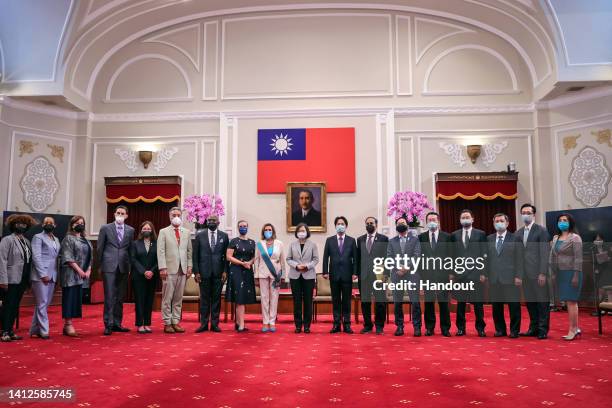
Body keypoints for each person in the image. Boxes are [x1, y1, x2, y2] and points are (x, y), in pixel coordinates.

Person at [97, 205, 134, 335]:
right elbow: (100, 248)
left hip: (123, 267)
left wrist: (130, 267)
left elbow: (130, 250)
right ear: (114, 214)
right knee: (109, 296)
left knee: (120, 297)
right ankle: (108, 324)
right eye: (118, 212)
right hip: (109, 266)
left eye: (122, 213)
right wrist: (100, 266)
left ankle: (117, 323)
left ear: (126, 216)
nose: (120, 215)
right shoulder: (105, 228)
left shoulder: (130, 230)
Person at [486, 213, 523, 338]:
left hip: (511, 278)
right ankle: (500, 330)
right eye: (497, 221)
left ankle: (514, 330)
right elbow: (486, 259)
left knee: (514, 306)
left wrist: (519, 276)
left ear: (507, 223)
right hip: (494, 278)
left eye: (501, 220)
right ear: (493, 223)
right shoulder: (489, 238)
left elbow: (519, 259)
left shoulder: (515, 238)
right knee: (496, 307)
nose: (499, 223)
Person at [516, 204, 551, 339]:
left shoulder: (541, 231)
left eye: (528, 212)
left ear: (534, 215)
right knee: (530, 303)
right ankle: (533, 327)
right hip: (524, 274)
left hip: (538, 273)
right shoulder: (518, 233)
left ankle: (543, 329)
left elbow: (544, 253)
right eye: (523, 212)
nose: (526, 214)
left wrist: (543, 273)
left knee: (542, 303)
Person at [450, 209, 487, 337]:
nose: (465, 219)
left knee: (478, 303)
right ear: (460, 220)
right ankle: (461, 328)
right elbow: (452, 255)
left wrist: (483, 273)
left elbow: (484, 254)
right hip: (460, 275)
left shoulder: (480, 234)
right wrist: (452, 273)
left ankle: (480, 328)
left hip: (476, 274)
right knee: (460, 303)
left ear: (472, 219)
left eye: (467, 217)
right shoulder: (454, 235)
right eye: (463, 217)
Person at [0, 214, 36, 342]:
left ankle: (10, 330)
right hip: (10, 279)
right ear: (13, 225)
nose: (21, 226)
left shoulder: (27, 241)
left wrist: (29, 280)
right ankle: (4, 331)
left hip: (23, 278)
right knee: (8, 305)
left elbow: (29, 260)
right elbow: (2, 260)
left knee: (15, 305)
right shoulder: (7, 240)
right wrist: (3, 280)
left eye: (24, 224)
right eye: (18, 223)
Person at [157, 207, 193, 334]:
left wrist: (189, 266)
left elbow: (189, 251)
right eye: (174, 215)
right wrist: (162, 267)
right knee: (167, 298)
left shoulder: (186, 232)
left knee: (178, 298)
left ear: (181, 216)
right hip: (169, 269)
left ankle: (175, 321)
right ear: (169, 216)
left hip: (182, 269)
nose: (176, 217)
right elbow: (160, 251)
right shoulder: (163, 232)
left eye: (178, 214)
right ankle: (167, 322)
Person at [387, 215, 422, 337]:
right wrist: (398, 269)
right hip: (397, 275)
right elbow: (389, 258)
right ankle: (399, 326)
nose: (401, 224)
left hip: (411, 274)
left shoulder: (415, 240)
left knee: (415, 302)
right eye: (398, 223)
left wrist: (406, 268)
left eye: (403, 222)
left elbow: (417, 255)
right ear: (396, 227)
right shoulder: (391, 241)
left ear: (407, 225)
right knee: (397, 303)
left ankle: (417, 327)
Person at [549, 213, 583, 341]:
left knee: (571, 301)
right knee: (568, 301)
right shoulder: (556, 237)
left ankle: (573, 329)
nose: (562, 222)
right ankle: (575, 328)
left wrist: (576, 275)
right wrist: (552, 272)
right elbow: (553, 255)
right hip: (560, 273)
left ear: (570, 223)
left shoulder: (575, 238)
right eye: (560, 220)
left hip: (572, 272)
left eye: (565, 220)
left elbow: (578, 258)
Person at [418, 212, 452, 337]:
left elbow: (450, 256)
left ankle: (445, 328)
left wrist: (451, 274)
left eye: (434, 219)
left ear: (438, 221)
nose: (432, 221)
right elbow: (419, 259)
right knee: (429, 303)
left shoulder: (447, 237)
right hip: (427, 275)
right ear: (426, 222)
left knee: (443, 303)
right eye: (429, 220)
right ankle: (430, 328)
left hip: (443, 275)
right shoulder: (421, 237)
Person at [193, 215, 229, 333]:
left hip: (218, 273)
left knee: (216, 300)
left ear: (218, 222)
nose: (211, 222)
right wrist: (196, 272)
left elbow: (226, 257)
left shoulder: (224, 236)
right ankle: (203, 324)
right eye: (209, 221)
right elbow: (195, 256)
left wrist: (225, 271)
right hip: (203, 273)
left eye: (213, 221)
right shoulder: (199, 235)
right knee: (204, 299)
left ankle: (214, 324)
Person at [322, 216, 357, 334]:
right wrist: (325, 271)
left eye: (342, 223)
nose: (340, 225)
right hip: (334, 274)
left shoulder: (352, 240)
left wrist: (355, 272)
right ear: (335, 226)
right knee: (336, 301)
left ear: (346, 226)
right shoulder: (329, 240)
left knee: (347, 301)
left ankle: (347, 324)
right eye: (338, 224)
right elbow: (325, 257)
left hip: (347, 275)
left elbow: (355, 258)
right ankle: (336, 324)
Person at [59, 216, 92, 337]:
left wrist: (88, 270)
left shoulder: (85, 240)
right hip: (71, 273)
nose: (80, 225)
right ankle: (68, 324)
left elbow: (90, 257)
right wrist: (79, 270)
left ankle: (70, 323)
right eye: (77, 223)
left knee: (76, 300)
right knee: (69, 298)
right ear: (72, 225)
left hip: (82, 275)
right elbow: (67, 257)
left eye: (82, 223)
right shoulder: (68, 238)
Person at [356, 216, 388, 335]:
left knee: (380, 302)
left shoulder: (384, 239)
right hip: (364, 275)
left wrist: (386, 274)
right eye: (367, 223)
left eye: (372, 223)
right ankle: (368, 325)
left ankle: (379, 326)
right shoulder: (360, 239)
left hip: (379, 276)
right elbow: (357, 258)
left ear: (376, 225)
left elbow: (387, 258)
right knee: (365, 302)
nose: (369, 225)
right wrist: (356, 273)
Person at [30, 217, 61, 339]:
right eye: (46, 223)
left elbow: (56, 258)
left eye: (51, 223)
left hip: (52, 274)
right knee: (42, 303)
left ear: (55, 225)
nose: (49, 224)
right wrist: (43, 274)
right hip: (40, 276)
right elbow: (36, 257)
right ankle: (44, 331)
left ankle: (34, 330)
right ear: (42, 225)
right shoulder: (38, 237)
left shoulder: (56, 239)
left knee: (43, 304)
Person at [286, 223, 319, 333]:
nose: (301, 232)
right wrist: (296, 265)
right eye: (299, 230)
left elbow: (316, 259)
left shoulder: (313, 245)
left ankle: (307, 326)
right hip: (295, 275)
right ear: (297, 232)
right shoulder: (292, 244)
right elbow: (288, 259)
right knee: (297, 301)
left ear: (307, 232)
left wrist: (307, 266)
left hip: (308, 275)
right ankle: (298, 325)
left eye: (303, 230)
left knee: (308, 301)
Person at [254, 223, 286, 333]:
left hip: (275, 274)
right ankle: (265, 322)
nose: (268, 231)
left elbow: (282, 260)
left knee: (274, 298)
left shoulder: (279, 243)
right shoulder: (259, 244)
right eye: (266, 230)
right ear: (263, 232)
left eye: (270, 229)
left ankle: (272, 322)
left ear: (273, 231)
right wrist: (256, 276)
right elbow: (256, 260)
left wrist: (283, 275)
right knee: (264, 298)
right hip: (262, 274)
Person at [226, 220, 257, 332]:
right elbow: (229, 257)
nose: (243, 228)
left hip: (248, 271)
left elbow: (255, 257)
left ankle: (238, 322)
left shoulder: (252, 242)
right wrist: (242, 263)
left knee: (243, 297)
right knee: (239, 298)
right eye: (241, 226)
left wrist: (249, 262)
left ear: (248, 227)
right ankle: (241, 325)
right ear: (238, 228)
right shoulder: (234, 241)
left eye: (245, 226)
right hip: (236, 271)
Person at [130, 221, 159, 334]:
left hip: (152, 276)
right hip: (138, 276)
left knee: (149, 300)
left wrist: (151, 271)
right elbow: (133, 259)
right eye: (144, 228)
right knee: (140, 300)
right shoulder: (135, 243)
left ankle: (147, 323)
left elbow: (159, 259)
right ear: (141, 230)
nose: (146, 230)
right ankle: (139, 324)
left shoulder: (156, 243)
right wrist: (143, 271)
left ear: (152, 230)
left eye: (149, 229)